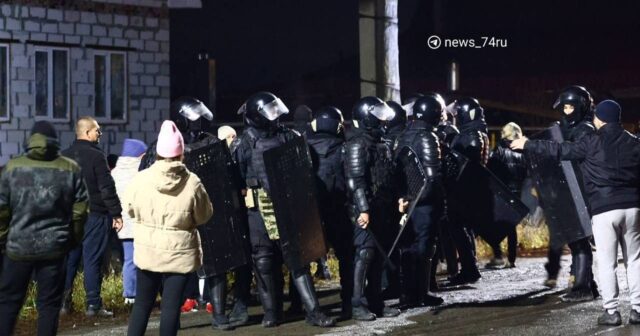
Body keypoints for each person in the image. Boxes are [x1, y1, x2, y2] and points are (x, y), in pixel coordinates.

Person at [511, 100, 640, 326]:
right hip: (632, 208)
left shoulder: (591, 142)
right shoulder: (634, 142)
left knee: (607, 262)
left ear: (599, 119)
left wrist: (528, 144)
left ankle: (611, 311)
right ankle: (638, 310)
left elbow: (559, 150)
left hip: (604, 210)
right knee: (635, 260)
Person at [235, 91, 335, 328]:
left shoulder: (288, 136)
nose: (276, 118)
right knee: (263, 261)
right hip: (258, 207)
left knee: (297, 259)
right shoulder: (245, 142)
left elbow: (305, 167)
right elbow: (237, 177)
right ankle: (272, 312)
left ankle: (314, 311)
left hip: (288, 204)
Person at [0, 121, 89, 335]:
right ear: (54, 141)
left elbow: (2, 209)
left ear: (30, 140)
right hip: (54, 249)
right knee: (49, 306)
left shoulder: (12, 168)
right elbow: (80, 210)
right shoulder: (70, 168)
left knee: (8, 304)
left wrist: (3, 239)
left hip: (17, 249)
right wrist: (72, 239)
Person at [125, 120, 214, 336]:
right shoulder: (193, 182)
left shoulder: (141, 179)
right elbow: (204, 215)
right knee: (171, 308)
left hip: (149, 251)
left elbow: (129, 209)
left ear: (158, 153)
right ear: (181, 153)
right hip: (179, 254)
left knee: (142, 306)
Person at [344, 96, 401, 320]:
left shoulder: (381, 143)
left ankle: (376, 302)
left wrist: (398, 199)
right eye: (377, 117)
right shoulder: (357, 144)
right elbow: (355, 181)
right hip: (365, 210)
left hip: (382, 207)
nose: (382, 122)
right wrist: (364, 209)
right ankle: (358, 304)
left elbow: (388, 176)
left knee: (378, 256)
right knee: (365, 254)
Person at [62, 116, 123, 317]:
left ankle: (63, 303)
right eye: (97, 130)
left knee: (69, 260)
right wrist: (116, 213)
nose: (100, 133)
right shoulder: (97, 156)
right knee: (92, 260)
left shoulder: (64, 156)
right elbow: (106, 188)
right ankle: (93, 305)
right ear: (87, 132)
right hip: (94, 215)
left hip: (70, 217)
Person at [543, 86, 598, 301]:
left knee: (579, 240)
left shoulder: (585, 129)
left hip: (581, 191)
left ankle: (582, 288)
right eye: (564, 107)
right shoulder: (573, 128)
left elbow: (574, 156)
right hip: (572, 190)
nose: (566, 111)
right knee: (576, 239)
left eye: (570, 107)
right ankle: (586, 283)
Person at [395, 94, 446, 308]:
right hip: (424, 203)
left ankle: (407, 294)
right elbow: (432, 177)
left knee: (408, 247)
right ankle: (421, 294)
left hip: (405, 201)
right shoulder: (428, 137)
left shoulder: (402, 136)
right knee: (424, 248)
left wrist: (404, 198)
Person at [306, 106, 354, 319]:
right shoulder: (345, 148)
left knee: (305, 260)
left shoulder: (303, 148)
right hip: (339, 209)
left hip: (310, 212)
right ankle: (349, 301)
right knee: (346, 257)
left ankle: (305, 306)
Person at [447, 97, 489, 285]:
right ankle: (469, 267)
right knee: (463, 229)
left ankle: (469, 269)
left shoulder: (472, 134)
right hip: (467, 189)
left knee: (460, 228)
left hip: (465, 189)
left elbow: (468, 163)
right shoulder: (473, 131)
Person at [111, 139, 148, 305]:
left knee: (129, 259)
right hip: (140, 221)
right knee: (145, 259)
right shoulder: (141, 171)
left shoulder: (115, 172)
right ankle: (143, 292)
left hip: (123, 223)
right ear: (139, 155)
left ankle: (129, 294)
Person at [485, 122, 527, 268]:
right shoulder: (523, 150)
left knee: (493, 223)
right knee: (511, 226)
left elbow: (492, 167)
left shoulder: (501, 148)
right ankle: (512, 259)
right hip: (517, 191)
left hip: (502, 190)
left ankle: (498, 255)